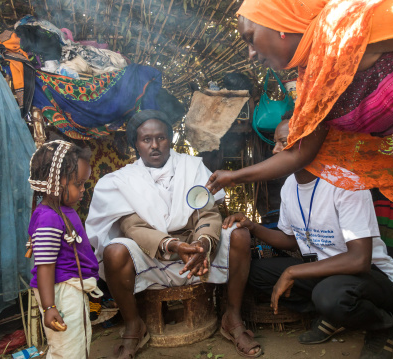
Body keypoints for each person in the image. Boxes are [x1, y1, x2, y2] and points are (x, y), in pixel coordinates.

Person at [205, 1, 393, 358]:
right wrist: (235, 181)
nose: (250, 53)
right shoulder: (314, 78)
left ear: (281, 24)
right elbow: (301, 154)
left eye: (251, 38)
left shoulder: (344, 26)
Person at [85, 110, 261, 358]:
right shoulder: (120, 180)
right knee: (114, 251)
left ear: (170, 139)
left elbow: (207, 213)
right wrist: (173, 245)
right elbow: (132, 227)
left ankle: (232, 318)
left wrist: (202, 244)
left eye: (161, 138)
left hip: (198, 249)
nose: (154, 145)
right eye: (146, 139)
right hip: (153, 252)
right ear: (136, 144)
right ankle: (134, 326)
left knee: (239, 235)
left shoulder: (193, 167)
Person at [224, 119, 393, 358]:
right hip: (324, 272)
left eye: (284, 143)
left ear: (310, 146)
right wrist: (253, 227)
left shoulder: (346, 183)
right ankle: (332, 315)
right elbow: (291, 239)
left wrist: (292, 272)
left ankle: (381, 326)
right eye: (275, 143)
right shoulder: (289, 187)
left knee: (329, 295)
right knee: (255, 273)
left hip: (371, 277)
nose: (275, 151)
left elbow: (359, 260)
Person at [27, 140, 100, 359]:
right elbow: (45, 266)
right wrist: (50, 307)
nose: (83, 190)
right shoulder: (49, 218)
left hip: (70, 289)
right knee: (67, 350)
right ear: (55, 183)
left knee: (77, 344)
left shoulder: (63, 210)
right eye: (79, 184)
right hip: (60, 291)